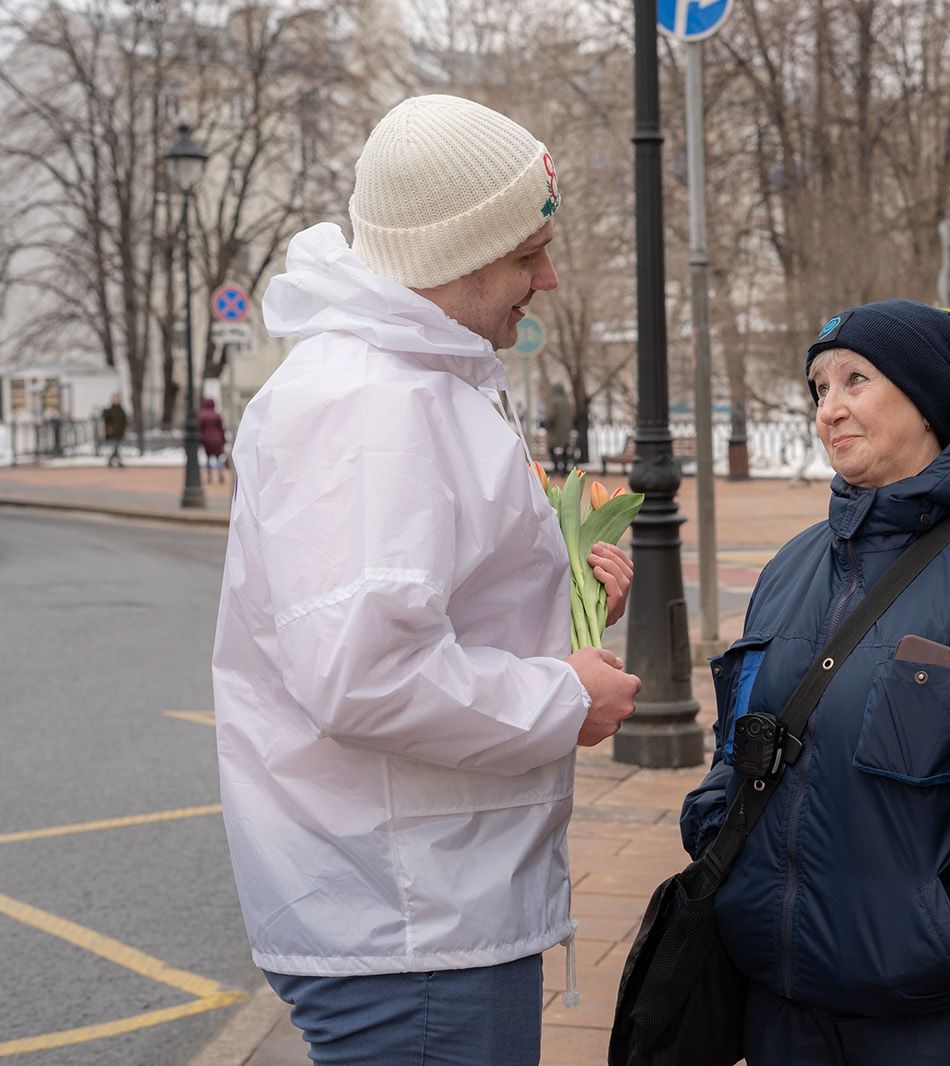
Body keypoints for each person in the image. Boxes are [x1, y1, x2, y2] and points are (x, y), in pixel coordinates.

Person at [211, 94, 641, 1065]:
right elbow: (365, 671)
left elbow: (417, 601)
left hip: (428, 906)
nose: (549, 274)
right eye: (527, 251)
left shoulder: (412, 376)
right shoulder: (373, 402)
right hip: (412, 922)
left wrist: (561, 598)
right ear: (456, 253)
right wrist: (561, 695)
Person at [679, 300, 950, 1064]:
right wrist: (718, 835)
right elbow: (735, 745)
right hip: (785, 1012)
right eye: (818, 388)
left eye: (855, 381)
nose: (828, 409)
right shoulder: (789, 569)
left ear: (926, 398)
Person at [545, 380, 574, 475]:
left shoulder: (554, 402)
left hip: (555, 431)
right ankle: (564, 469)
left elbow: (551, 417)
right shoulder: (567, 403)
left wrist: (547, 425)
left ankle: (556, 467)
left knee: (551, 448)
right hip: (566, 431)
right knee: (565, 449)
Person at [197, 396, 226, 482]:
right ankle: (220, 472)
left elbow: (200, 429)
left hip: (206, 440)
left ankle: (209, 476)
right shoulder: (217, 415)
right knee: (218, 458)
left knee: (208, 458)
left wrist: (201, 440)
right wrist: (223, 440)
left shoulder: (201, 415)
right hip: (217, 439)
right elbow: (221, 429)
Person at [102, 393, 127, 467]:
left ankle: (113, 461)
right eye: (115, 399)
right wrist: (108, 429)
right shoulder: (110, 410)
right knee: (114, 447)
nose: (117, 400)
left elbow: (124, 420)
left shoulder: (121, 410)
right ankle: (115, 461)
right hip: (112, 432)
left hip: (120, 432)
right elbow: (106, 420)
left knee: (117, 447)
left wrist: (125, 429)